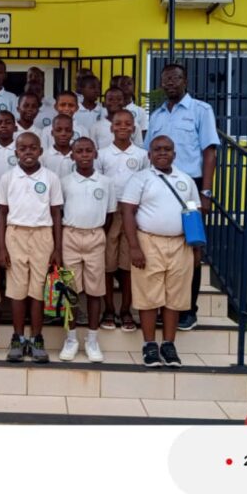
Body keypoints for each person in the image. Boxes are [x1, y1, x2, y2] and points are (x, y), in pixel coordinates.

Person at [146, 63, 219, 331]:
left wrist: (206, 193)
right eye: (166, 80)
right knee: (160, 247)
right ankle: (161, 306)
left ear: (185, 80)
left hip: (191, 187)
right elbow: (148, 154)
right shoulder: (156, 116)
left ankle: (189, 309)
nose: (171, 84)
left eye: (176, 79)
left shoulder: (201, 110)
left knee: (192, 248)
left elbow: (209, 152)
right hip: (159, 185)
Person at [121, 135, 200, 367]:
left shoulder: (186, 180)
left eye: (167, 149)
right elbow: (127, 212)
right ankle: (149, 345)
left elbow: (194, 215)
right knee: (149, 296)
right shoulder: (140, 179)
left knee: (174, 297)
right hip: (149, 242)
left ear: (174, 154)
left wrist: (196, 248)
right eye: (157, 149)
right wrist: (134, 246)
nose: (162, 153)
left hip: (180, 244)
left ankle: (168, 344)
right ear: (149, 155)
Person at [0, 132, 63, 363]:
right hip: (15, 234)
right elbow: (2, 214)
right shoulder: (8, 178)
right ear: (16, 153)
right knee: (17, 290)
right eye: (22, 148)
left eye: (32, 148)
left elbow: (56, 213)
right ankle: (17, 338)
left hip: (43, 236)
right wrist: (1, 248)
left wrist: (57, 249)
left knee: (37, 290)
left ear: (40, 151)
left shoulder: (50, 178)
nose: (28, 152)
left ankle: (37, 338)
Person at [58, 138, 116, 362]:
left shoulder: (105, 182)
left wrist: (97, 232)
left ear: (95, 154)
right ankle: (71, 338)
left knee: (95, 290)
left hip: (95, 235)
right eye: (79, 151)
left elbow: (110, 214)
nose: (84, 155)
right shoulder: (64, 181)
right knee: (70, 290)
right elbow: (59, 211)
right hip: (70, 235)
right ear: (72, 155)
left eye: (88, 151)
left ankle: (92, 340)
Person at [98, 109, 149, 331]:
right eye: (118, 123)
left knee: (128, 266)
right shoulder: (102, 154)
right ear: (111, 127)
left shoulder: (141, 155)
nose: (122, 127)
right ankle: (109, 309)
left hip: (131, 213)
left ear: (134, 128)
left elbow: (146, 184)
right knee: (108, 265)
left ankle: (126, 310)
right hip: (108, 212)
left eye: (127, 124)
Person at [111, 74, 149, 140]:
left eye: (129, 83)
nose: (126, 86)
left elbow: (143, 133)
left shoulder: (140, 111)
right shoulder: (111, 110)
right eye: (122, 84)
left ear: (133, 87)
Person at [41, 114, 75, 178]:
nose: (63, 134)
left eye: (67, 130)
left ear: (72, 133)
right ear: (52, 133)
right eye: (58, 130)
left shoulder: (78, 155)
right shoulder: (44, 157)